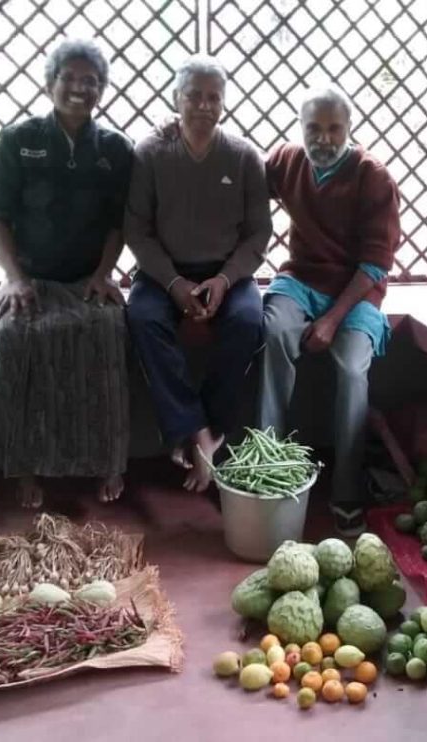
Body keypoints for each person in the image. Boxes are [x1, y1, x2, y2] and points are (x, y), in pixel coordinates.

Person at [0, 39, 134, 509]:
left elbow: (118, 223)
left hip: (86, 280)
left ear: (101, 91)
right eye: (68, 78)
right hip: (31, 280)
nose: (78, 88)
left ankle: (108, 462)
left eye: (90, 81)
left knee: (109, 332)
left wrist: (104, 273)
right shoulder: (19, 140)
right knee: (12, 339)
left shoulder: (115, 149)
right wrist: (14, 278)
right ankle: (26, 469)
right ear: (50, 83)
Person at [258, 84, 401, 537]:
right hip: (301, 277)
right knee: (274, 330)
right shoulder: (288, 160)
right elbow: (243, 180)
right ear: (300, 129)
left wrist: (332, 320)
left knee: (352, 363)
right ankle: (269, 465)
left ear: (349, 128)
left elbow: (376, 262)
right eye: (312, 128)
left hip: (357, 290)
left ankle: (345, 491)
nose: (323, 138)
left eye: (333, 128)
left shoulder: (371, 176)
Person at [124, 55, 271, 492]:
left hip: (227, 274)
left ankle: (207, 428)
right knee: (144, 320)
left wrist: (225, 281)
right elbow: (137, 229)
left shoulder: (244, 157)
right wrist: (173, 284)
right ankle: (197, 432)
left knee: (248, 322)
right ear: (176, 99)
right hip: (164, 274)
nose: (204, 105)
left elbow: (258, 234)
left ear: (224, 102)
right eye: (194, 96)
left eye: (213, 97)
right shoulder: (151, 151)